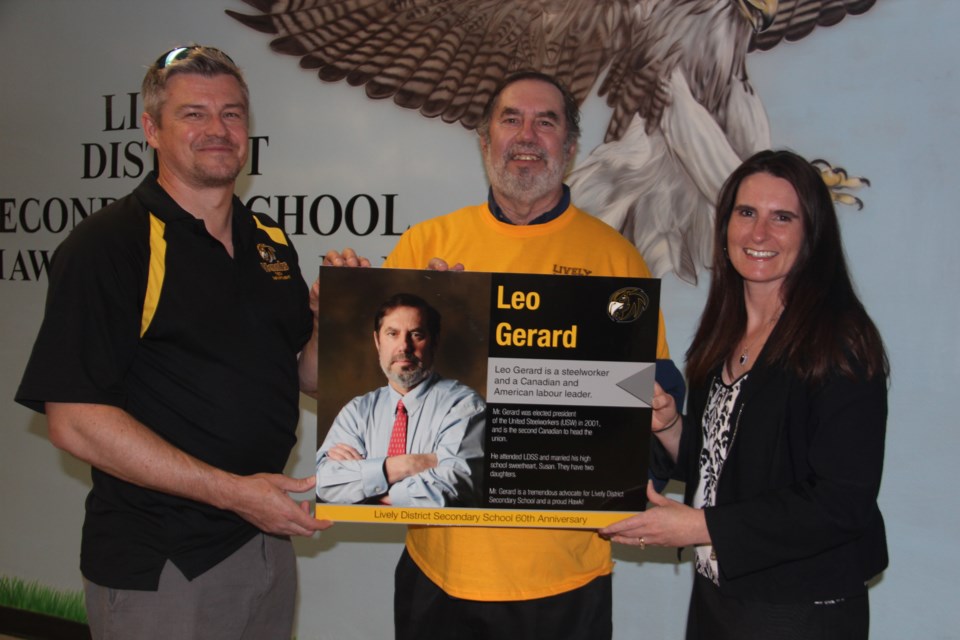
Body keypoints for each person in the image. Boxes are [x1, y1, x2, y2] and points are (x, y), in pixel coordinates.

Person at [15, 46, 330, 639]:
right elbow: (75, 422)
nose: (217, 129)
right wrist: (234, 494)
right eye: (194, 114)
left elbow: (303, 374)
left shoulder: (267, 241)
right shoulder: (110, 246)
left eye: (232, 114)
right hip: (163, 561)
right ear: (151, 130)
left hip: (263, 541)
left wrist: (329, 325)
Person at [373, 70, 680, 639]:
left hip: (566, 582)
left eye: (546, 122)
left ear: (568, 147)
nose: (527, 134)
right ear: (484, 140)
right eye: (510, 119)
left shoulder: (617, 261)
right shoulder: (426, 247)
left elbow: (651, 412)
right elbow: (389, 396)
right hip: (438, 574)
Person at [600, 149, 889, 639]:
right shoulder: (724, 334)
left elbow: (842, 502)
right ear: (726, 224)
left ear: (811, 232)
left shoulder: (840, 341)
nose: (759, 234)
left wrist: (701, 527)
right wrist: (670, 426)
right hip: (721, 598)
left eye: (782, 218)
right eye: (746, 213)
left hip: (802, 609)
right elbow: (728, 467)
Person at [316, 292, 486, 507]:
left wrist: (369, 486)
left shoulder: (464, 406)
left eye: (416, 334)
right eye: (392, 334)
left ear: (434, 342)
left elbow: (451, 486)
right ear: (378, 341)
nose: (404, 346)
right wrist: (409, 464)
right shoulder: (358, 411)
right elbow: (324, 481)